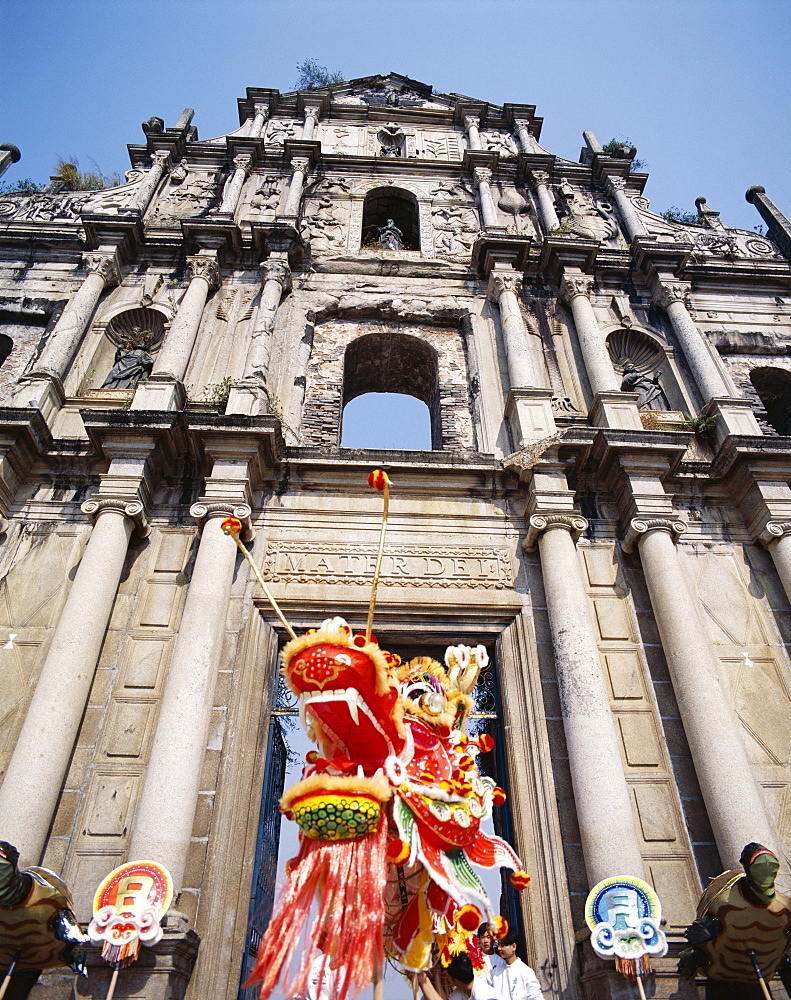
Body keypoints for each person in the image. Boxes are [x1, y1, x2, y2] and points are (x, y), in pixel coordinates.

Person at [416, 952, 500, 1000]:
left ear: (456, 980)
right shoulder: (463, 990)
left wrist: (422, 979)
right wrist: (423, 978)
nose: (446, 977)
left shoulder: (482, 995)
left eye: (448, 975)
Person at [490, 929, 543, 1000]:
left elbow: (535, 996)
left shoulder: (526, 972)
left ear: (514, 946)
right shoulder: (495, 972)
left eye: (502, 945)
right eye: (498, 945)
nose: (499, 948)